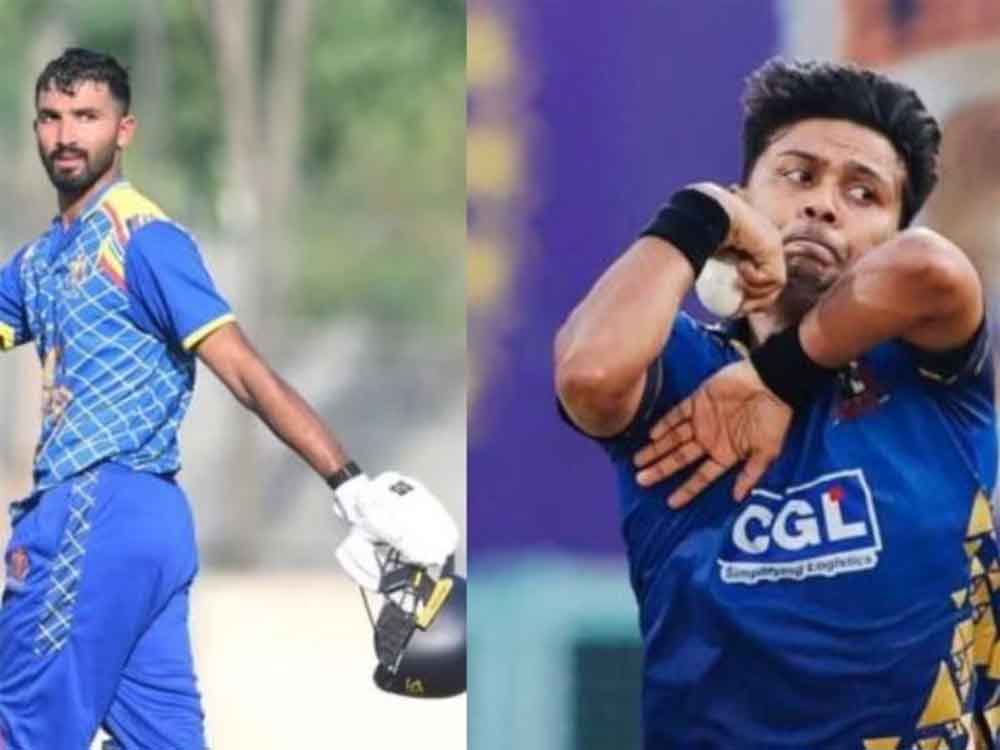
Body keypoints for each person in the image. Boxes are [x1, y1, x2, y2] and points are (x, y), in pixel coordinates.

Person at [0, 48, 458, 750]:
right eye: (52, 118)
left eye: (87, 117)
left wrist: (348, 483)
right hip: (145, 529)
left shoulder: (143, 241)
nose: (66, 135)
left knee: (21, 731)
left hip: (95, 508)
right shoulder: (41, 261)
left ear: (124, 130)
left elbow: (243, 370)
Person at [555, 57, 1000, 749]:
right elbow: (589, 373)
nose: (822, 205)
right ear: (744, 202)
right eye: (797, 176)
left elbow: (932, 269)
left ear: (892, 233)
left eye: (863, 193)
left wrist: (777, 377)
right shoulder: (683, 369)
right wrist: (698, 214)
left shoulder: (932, 376)